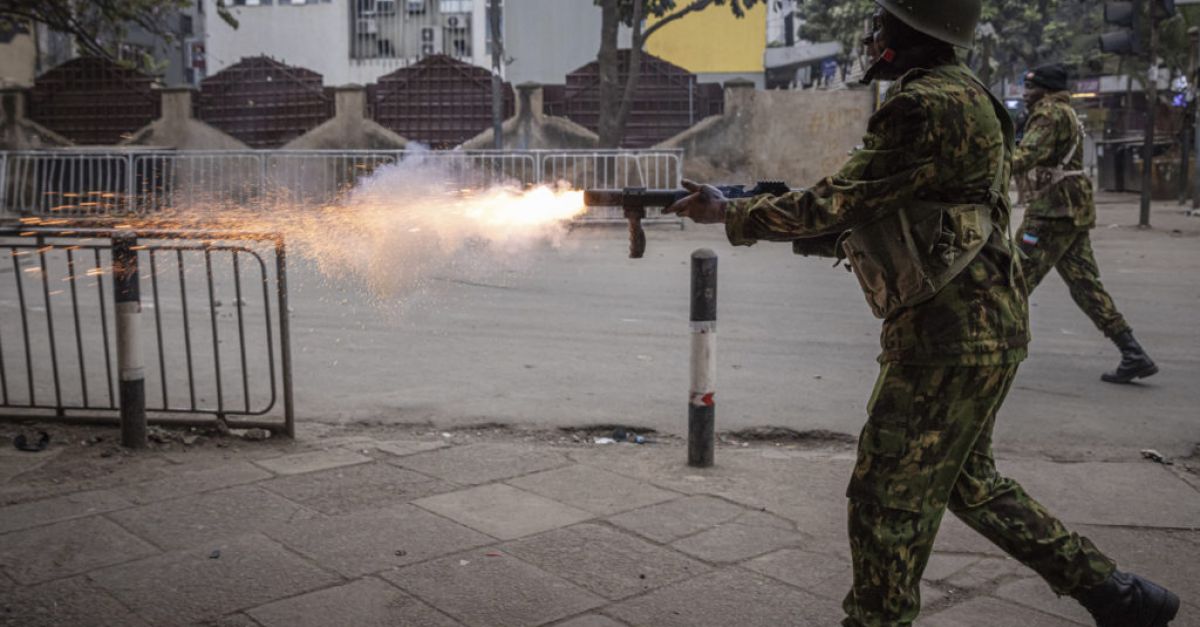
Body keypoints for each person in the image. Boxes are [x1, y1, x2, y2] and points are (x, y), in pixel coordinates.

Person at [664, 1, 1179, 625]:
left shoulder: (921, 106)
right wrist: (769, 210)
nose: (874, 35)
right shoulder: (968, 94)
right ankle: (1118, 596)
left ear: (918, 31)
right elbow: (894, 210)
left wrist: (733, 213)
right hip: (985, 325)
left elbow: (841, 202)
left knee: (885, 500)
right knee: (969, 483)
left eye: (885, 24)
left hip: (947, 335)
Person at [1014, 64, 1158, 383]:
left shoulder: (1049, 113)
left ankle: (997, 351)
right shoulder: (1067, 111)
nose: (1025, 96)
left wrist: (979, 165)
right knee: (1085, 285)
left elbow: (1024, 157)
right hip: (1072, 211)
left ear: (1046, 90)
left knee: (1012, 280)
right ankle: (1132, 351)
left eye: (1030, 89)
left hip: (1052, 213)